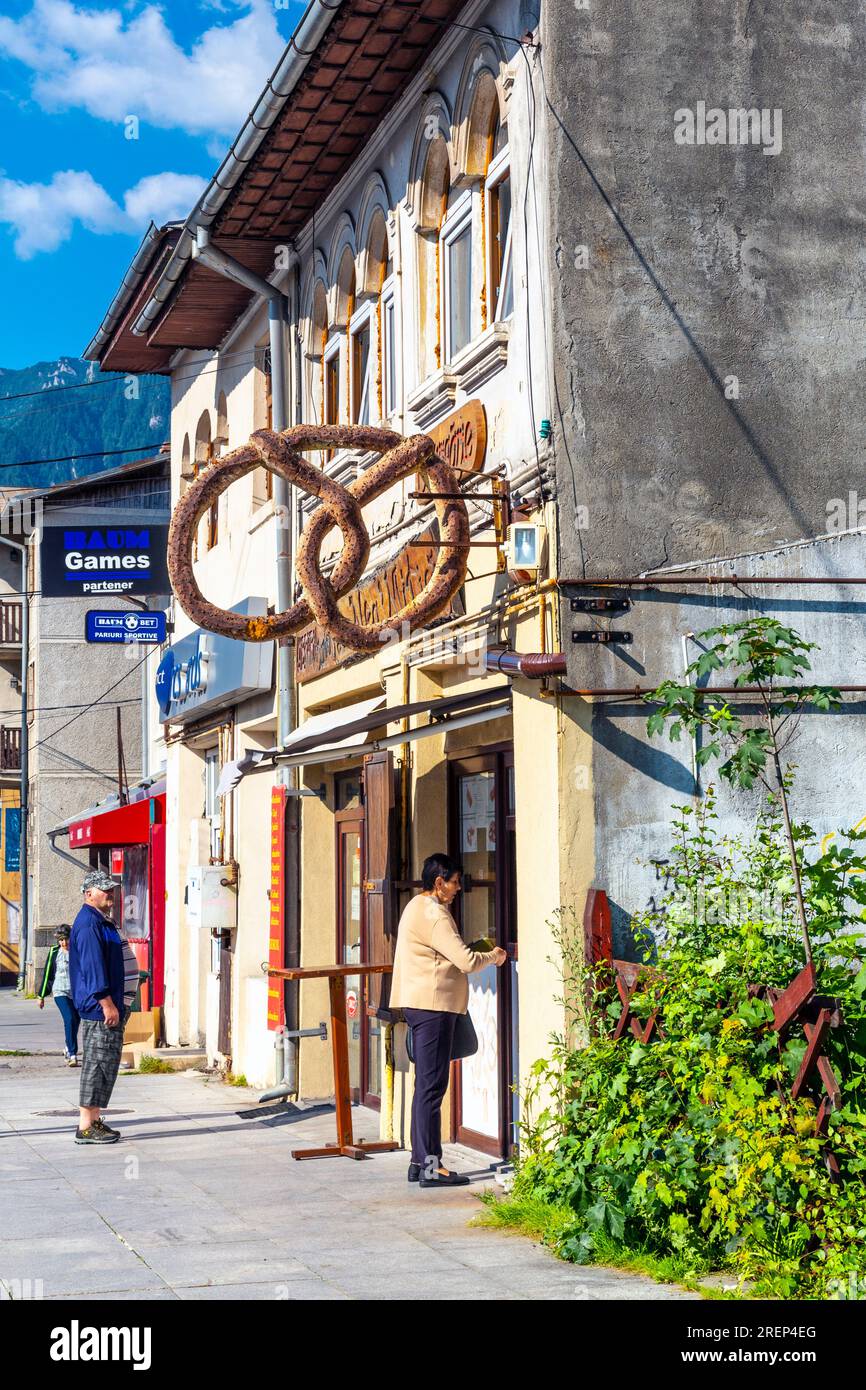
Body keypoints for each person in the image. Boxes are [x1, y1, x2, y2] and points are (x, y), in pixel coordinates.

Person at [389, 851, 506, 1188]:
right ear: (439, 883)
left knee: (424, 1085)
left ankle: (418, 1163)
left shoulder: (416, 906)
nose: (458, 888)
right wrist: (493, 956)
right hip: (434, 1007)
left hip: (423, 1005)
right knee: (432, 1087)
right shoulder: (435, 915)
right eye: (454, 882)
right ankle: (430, 1167)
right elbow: (466, 961)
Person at [69, 869, 132, 1145]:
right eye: (104, 890)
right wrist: (107, 1003)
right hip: (100, 1009)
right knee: (96, 1065)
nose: (111, 893)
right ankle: (86, 1125)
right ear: (88, 894)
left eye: (111, 889)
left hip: (106, 1006)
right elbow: (93, 969)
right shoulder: (88, 924)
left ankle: (94, 1120)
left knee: (104, 1064)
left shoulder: (100, 921)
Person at [37, 925, 79, 1067]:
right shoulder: (55, 952)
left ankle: (68, 1046)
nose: (64, 943)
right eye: (61, 940)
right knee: (69, 1019)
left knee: (76, 1021)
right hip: (60, 991)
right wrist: (41, 995)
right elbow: (48, 974)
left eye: (66, 939)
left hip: (76, 992)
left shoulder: (77, 951)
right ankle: (72, 1054)